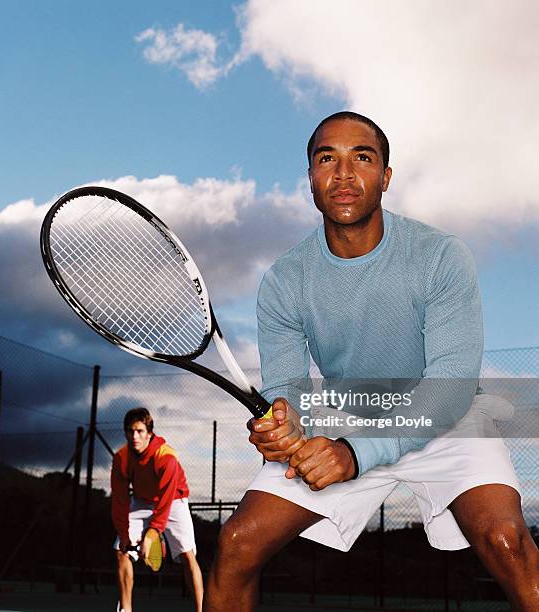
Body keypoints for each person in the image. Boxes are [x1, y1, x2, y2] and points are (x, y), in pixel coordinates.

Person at [204, 112, 539, 611]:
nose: (343, 174)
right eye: (326, 159)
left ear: (385, 177)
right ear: (311, 180)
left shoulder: (441, 255)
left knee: (507, 542)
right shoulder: (283, 280)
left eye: (361, 157)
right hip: (347, 418)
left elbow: (447, 388)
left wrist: (355, 452)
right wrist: (283, 425)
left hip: (446, 415)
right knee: (236, 545)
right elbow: (289, 393)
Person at [112, 407, 203, 612]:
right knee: (120, 550)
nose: (134, 436)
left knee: (188, 555)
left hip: (174, 500)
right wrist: (124, 533)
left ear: (149, 433)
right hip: (142, 501)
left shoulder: (166, 457)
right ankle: (125, 609)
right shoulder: (121, 458)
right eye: (130, 431)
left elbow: (165, 499)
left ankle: (201, 610)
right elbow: (119, 500)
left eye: (140, 431)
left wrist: (152, 533)